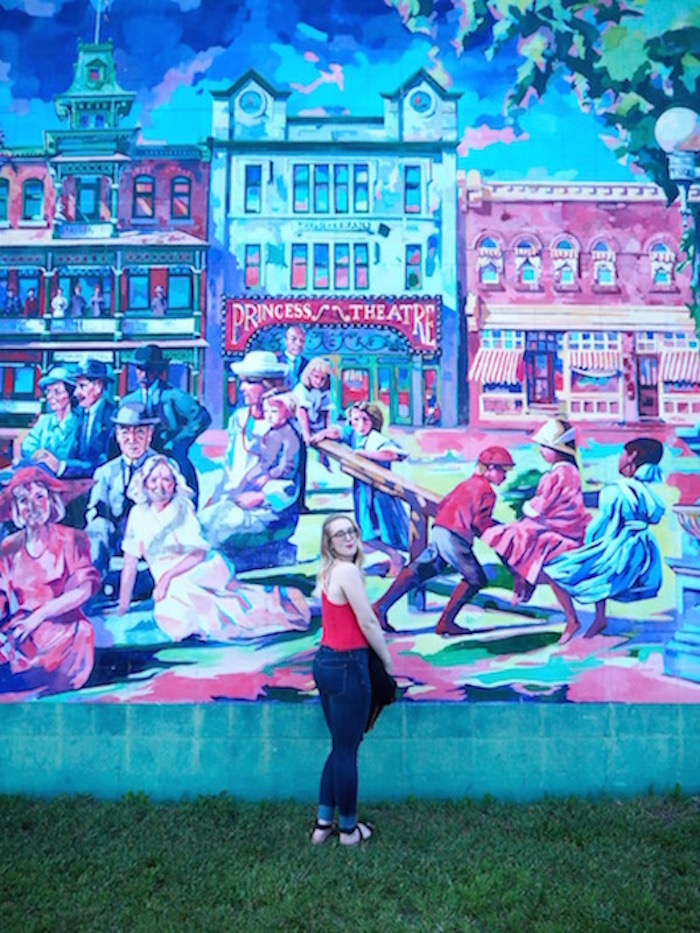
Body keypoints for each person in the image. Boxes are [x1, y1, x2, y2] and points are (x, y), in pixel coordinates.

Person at [118, 455, 310, 639]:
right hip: (168, 579)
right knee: (174, 615)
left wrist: (167, 577)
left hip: (198, 567)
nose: (160, 486)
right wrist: (123, 605)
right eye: (154, 480)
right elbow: (130, 561)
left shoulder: (182, 507)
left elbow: (199, 553)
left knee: (186, 598)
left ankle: (283, 607)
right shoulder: (138, 514)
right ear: (144, 484)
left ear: (174, 484)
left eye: (166, 480)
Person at [311, 513, 393, 847]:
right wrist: (386, 662)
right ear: (329, 543)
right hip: (347, 666)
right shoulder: (346, 571)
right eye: (339, 534)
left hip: (326, 663)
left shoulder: (328, 571)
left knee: (340, 747)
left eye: (352, 531)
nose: (348, 537)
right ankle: (348, 832)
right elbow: (367, 622)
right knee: (347, 750)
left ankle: (322, 825)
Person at [373, 446, 515, 636]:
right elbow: (480, 524)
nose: (504, 477)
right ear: (489, 469)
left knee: (420, 570)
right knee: (475, 579)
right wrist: (499, 533)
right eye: (502, 471)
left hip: (440, 529)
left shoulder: (466, 484)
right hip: (455, 536)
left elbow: (444, 504)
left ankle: (380, 607)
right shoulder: (487, 492)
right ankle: (446, 623)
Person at [546, 437, 666, 642]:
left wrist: (588, 540)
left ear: (632, 457)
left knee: (557, 569)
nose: (619, 459)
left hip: (621, 548)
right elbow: (653, 516)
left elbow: (600, 525)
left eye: (622, 454)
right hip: (643, 549)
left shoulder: (615, 490)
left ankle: (579, 620)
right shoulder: (647, 492)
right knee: (598, 569)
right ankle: (599, 618)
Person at [0, 466, 99, 697]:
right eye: (23, 500)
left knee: (80, 635)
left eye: (39, 497)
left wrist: (40, 615)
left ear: (52, 502)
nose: (32, 506)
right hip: (22, 629)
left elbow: (84, 589)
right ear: (15, 509)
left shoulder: (73, 539)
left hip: (64, 630)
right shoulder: (7, 548)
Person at [482, 418, 589, 604]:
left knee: (502, 535)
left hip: (557, 525)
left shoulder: (555, 475)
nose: (541, 450)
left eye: (544, 446)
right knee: (514, 534)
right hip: (571, 524)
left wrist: (525, 506)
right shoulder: (572, 472)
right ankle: (523, 579)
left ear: (557, 451)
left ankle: (522, 579)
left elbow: (541, 506)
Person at [200, 351, 295, 552]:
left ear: (269, 386)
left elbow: (291, 484)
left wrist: (262, 497)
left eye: (250, 381)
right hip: (232, 502)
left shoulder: (286, 428)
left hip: (269, 510)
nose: (242, 388)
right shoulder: (238, 419)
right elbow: (230, 468)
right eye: (242, 381)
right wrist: (216, 498)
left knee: (215, 535)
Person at [321, 401, 409, 574]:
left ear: (374, 421)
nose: (360, 425)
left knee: (377, 531)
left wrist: (365, 454)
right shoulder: (354, 434)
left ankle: (396, 559)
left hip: (379, 494)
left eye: (365, 420)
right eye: (355, 420)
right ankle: (393, 558)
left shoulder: (376, 438)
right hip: (363, 491)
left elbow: (396, 454)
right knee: (366, 530)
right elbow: (338, 432)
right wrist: (323, 434)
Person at [122, 344, 211, 505]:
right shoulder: (128, 401)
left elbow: (202, 417)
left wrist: (179, 441)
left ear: (158, 370)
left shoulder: (174, 396)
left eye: (148, 369)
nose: (143, 374)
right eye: (139, 369)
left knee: (182, 492)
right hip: (141, 457)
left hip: (170, 454)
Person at [84, 401, 158, 576]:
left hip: (151, 539)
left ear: (150, 434)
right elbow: (95, 512)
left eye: (139, 432)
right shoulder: (105, 472)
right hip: (117, 538)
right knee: (98, 527)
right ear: (117, 435)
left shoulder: (162, 467)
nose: (132, 440)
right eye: (125, 432)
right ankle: (92, 584)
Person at [45, 358, 117, 479]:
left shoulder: (112, 418)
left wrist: (63, 467)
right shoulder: (79, 414)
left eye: (82, 386)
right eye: (76, 386)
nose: (76, 393)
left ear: (98, 386)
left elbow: (104, 463)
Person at [20, 365, 79, 466]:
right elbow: (27, 445)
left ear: (70, 394)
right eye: (48, 391)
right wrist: (37, 454)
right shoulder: (44, 421)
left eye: (57, 392)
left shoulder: (79, 423)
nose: (50, 397)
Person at [276, 325, 309, 389]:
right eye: (293, 339)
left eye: (302, 340)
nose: (298, 344)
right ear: (285, 341)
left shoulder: (308, 364)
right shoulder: (276, 361)